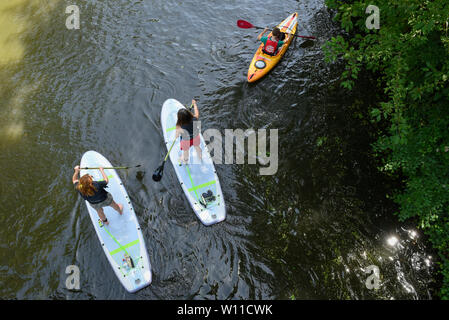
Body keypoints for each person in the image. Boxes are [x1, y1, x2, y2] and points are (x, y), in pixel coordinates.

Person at [175, 99, 202, 164]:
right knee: (197, 147)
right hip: (195, 137)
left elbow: (177, 135)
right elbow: (196, 112)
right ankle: (200, 157)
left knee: (186, 152)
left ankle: (186, 161)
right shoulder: (195, 118)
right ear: (189, 114)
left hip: (186, 141)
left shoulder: (179, 125)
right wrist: (194, 104)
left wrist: (176, 137)